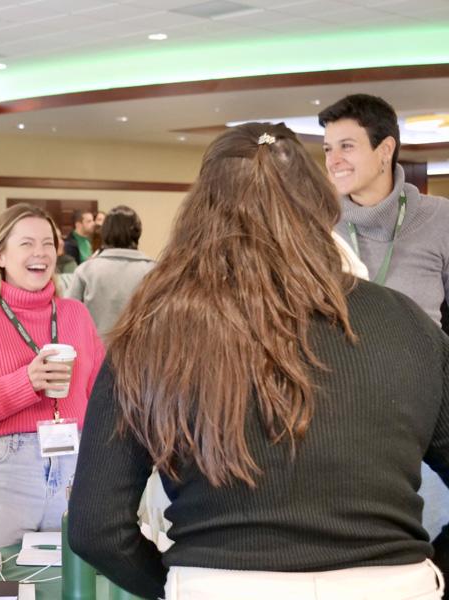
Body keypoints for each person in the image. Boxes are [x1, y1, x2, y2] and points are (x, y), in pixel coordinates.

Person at [68, 123, 448, 599]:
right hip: (392, 584)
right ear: (319, 205)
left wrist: (176, 584)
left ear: (199, 210)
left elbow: (94, 527)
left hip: (221, 584)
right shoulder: (406, 322)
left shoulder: (152, 332)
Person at [320, 93, 449, 542]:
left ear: (386, 149)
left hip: (422, 414)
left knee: (422, 539)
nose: (333, 160)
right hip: (339, 411)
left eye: (347, 146)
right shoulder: (318, 225)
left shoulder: (438, 219)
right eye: (327, 149)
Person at [0, 203, 105, 556]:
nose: (41, 253)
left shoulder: (75, 314)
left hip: (76, 467)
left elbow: (102, 398)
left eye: (48, 243)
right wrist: (26, 383)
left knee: (72, 583)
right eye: (27, 244)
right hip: (6, 470)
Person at [66, 205, 155, 337]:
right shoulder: (154, 271)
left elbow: (68, 318)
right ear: (138, 232)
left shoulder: (86, 270)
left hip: (95, 353)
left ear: (105, 232)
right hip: (143, 353)